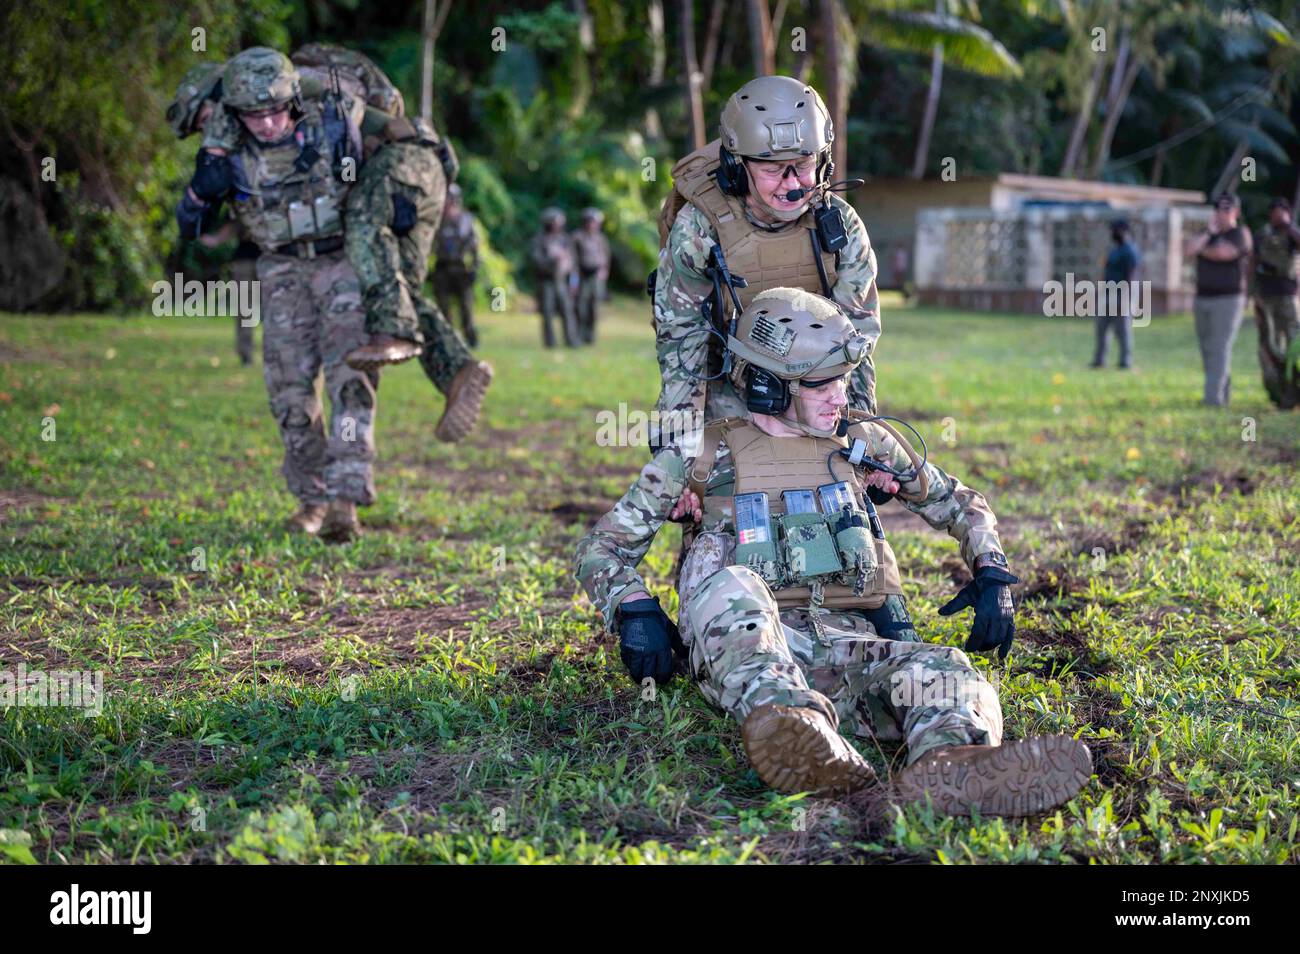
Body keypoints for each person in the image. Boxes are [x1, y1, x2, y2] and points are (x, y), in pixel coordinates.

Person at [574, 286, 1092, 814]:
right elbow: (601, 549)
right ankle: (794, 729)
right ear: (767, 386)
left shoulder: (864, 443)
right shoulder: (700, 452)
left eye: (843, 380)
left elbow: (958, 502)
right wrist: (634, 607)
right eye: (820, 384)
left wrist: (991, 568)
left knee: (947, 669)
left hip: (847, 644)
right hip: (754, 655)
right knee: (735, 586)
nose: (840, 397)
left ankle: (952, 766)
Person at [176, 47, 377, 541]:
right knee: (289, 392)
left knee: (350, 382)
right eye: (253, 115)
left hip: (339, 263)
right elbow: (191, 225)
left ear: (291, 101)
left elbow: (383, 157)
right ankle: (311, 498)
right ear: (236, 113)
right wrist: (202, 191)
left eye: (273, 111)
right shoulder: (227, 149)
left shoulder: (331, 124)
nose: (266, 124)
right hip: (282, 269)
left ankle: (345, 502)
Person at [650, 75, 882, 454]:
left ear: (822, 162)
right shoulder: (699, 229)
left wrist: (859, 438)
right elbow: (682, 345)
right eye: (773, 169)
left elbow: (856, 345)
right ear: (737, 167)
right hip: (728, 387)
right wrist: (679, 455)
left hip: (816, 390)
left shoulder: (840, 225)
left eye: (803, 164)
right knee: (725, 497)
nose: (792, 184)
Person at [167, 62, 261, 365]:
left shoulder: (264, 134)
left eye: (206, 120)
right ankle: (247, 356)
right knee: (246, 308)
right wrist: (212, 237)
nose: (206, 131)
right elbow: (234, 216)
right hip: (249, 252)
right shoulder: (223, 161)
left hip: (285, 251)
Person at [1185, 193, 1253, 406]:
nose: (1221, 213)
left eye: (1226, 209)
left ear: (1236, 212)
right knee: (1207, 348)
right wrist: (1207, 234)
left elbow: (1224, 253)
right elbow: (1188, 249)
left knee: (1219, 347)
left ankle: (1213, 399)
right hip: (1203, 298)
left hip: (1228, 299)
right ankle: (1222, 393)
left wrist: (1202, 249)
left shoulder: (1240, 234)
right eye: (1218, 209)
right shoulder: (1208, 233)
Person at [1252, 197, 1300, 409]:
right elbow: (1252, 262)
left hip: (1287, 297)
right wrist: (1250, 294)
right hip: (1265, 297)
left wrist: (1289, 226)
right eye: (1274, 211)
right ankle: (1278, 394)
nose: (1277, 215)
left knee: (1292, 348)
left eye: (1282, 211)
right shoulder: (1262, 235)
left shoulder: (1292, 234)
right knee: (1268, 347)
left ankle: (1293, 393)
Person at [432, 183, 480, 348]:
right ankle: (449, 341)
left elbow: (474, 246)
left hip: (461, 269)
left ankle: (472, 340)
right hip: (442, 268)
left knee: (466, 308)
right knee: (443, 308)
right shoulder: (436, 219)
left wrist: (474, 267)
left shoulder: (466, 219)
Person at [1091, 218, 1139, 370]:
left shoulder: (1130, 251)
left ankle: (1125, 361)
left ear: (1123, 231)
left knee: (1122, 330)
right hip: (1108, 294)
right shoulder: (1114, 250)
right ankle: (1099, 360)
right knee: (1101, 328)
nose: (1112, 233)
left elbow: (1132, 275)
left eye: (1114, 230)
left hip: (1122, 295)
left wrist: (1125, 298)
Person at [530, 207, 578, 347]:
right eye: (554, 222)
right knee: (547, 312)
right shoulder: (539, 239)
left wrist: (574, 282)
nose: (557, 225)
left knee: (567, 310)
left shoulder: (564, 239)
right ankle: (550, 343)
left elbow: (573, 262)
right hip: (546, 281)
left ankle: (572, 341)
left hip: (561, 281)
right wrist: (553, 260)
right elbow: (536, 260)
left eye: (559, 222)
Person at [571, 207, 610, 345]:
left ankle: (590, 337)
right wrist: (573, 280)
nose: (593, 224)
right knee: (580, 307)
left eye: (596, 222)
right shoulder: (577, 237)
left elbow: (605, 257)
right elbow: (573, 259)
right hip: (582, 277)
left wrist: (604, 271)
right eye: (591, 221)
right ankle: (578, 336)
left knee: (594, 308)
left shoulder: (600, 238)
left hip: (596, 278)